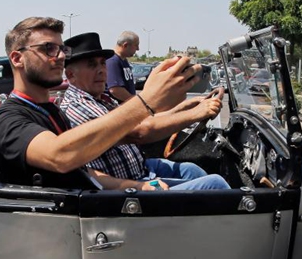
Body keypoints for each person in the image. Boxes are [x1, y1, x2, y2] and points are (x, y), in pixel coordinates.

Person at [0, 17, 204, 191]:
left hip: (100, 202)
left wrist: (138, 187)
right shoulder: (8, 117)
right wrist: (146, 100)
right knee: (215, 185)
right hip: (79, 221)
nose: (60, 56)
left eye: (61, 48)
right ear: (18, 59)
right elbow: (59, 155)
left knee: (200, 176)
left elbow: (85, 172)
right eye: (48, 48)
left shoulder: (52, 111)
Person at [61, 32, 228, 190]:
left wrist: (182, 108)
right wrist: (195, 114)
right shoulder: (78, 106)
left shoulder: (101, 97)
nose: (101, 70)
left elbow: (142, 120)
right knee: (215, 184)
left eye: (102, 63)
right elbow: (139, 132)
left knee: (191, 170)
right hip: (124, 189)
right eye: (92, 65)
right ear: (70, 75)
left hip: (140, 168)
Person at [106, 31, 139, 103]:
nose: (138, 49)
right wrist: (136, 102)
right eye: (136, 45)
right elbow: (115, 89)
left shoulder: (123, 60)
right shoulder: (113, 61)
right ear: (125, 45)